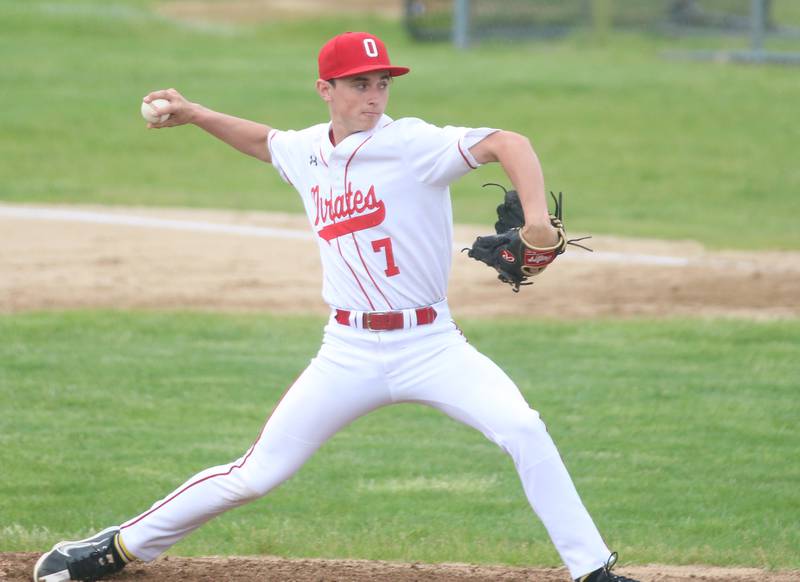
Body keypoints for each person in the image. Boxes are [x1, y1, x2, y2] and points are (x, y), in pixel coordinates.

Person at [34, 31, 638, 582]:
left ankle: (592, 571)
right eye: (358, 84)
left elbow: (511, 142)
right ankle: (117, 547)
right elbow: (266, 142)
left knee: (523, 428)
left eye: (381, 83)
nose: (373, 96)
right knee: (256, 474)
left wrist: (536, 221)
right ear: (325, 89)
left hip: (432, 345)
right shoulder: (307, 152)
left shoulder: (415, 145)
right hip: (346, 352)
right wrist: (194, 114)